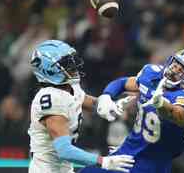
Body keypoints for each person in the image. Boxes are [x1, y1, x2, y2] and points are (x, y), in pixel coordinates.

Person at [80, 48, 184, 173]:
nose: (174, 70)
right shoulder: (153, 74)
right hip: (128, 150)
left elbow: (179, 116)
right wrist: (107, 95)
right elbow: (124, 82)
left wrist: (161, 104)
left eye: (182, 70)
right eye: (176, 64)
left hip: (151, 163)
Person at [28, 40, 135, 173]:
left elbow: (85, 101)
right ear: (49, 70)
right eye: (67, 64)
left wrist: (107, 104)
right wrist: (103, 161)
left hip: (65, 169)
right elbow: (65, 151)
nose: (74, 67)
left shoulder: (69, 87)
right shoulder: (51, 98)